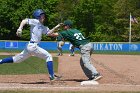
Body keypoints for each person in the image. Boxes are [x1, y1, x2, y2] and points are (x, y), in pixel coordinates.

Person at [0, 9, 62, 81]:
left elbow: (48, 33)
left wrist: (57, 29)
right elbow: (24, 21)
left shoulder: (42, 26)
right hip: (33, 46)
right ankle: (52, 76)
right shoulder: (36, 21)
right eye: (42, 15)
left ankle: (0, 61)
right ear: (38, 16)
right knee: (48, 56)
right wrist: (20, 28)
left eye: (44, 15)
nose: (44, 17)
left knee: (16, 59)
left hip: (30, 47)